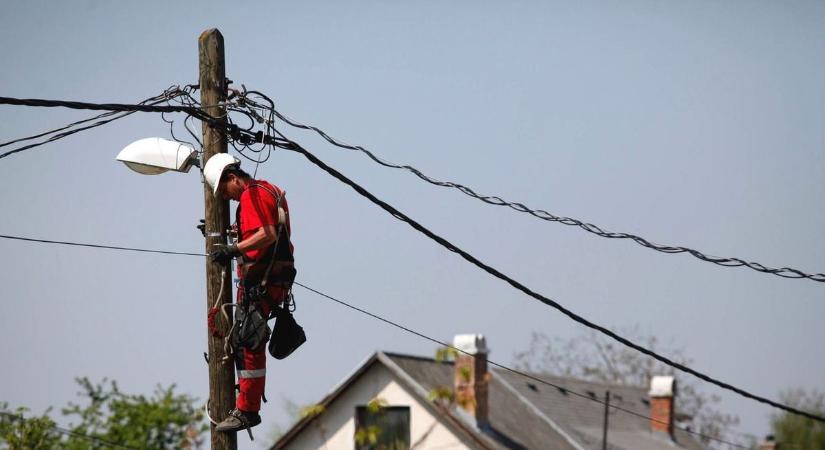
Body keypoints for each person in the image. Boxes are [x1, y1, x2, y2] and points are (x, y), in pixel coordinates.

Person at [202, 153, 294, 433]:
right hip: (272, 278)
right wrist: (227, 236)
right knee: (245, 339)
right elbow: (261, 230)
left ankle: (248, 410)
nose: (225, 198)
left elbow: (266, 234)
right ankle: (245, 402)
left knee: (249, 343)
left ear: (232, 178)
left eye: (224, 190)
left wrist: (232, 249)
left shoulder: (252, 196)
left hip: (263, 280)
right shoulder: (268, 189)